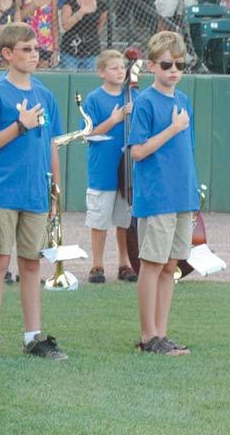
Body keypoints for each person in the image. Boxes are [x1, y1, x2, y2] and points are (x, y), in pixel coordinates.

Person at [0, 21, 67, 362]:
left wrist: (55, 185)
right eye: (26, 49)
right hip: (3, 192)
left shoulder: (45, 94)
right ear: (7, 54)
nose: (34, 55)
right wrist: (18, 126)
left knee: (32, 263)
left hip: (37, 192)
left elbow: (51, 144)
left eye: (36, 49)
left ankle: (33, 336)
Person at [128, 30, 198, 355]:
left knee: (172, 266)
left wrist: (192, 196)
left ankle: (162, 334)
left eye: (179, 64)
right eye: (167, 64)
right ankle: (147, 336)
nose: (174, 70)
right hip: (157, 197)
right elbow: (138, 152)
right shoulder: (145, 102)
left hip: (182, 195)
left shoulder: (183, 101)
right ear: (152, 65)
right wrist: (172, 128)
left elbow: (187, 152)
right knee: (152, 265)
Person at [83, 50, 137, 285]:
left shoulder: (134, 96)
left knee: (124, 220)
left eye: (122, 67)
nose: (119, 71)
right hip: (102, 170)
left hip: (128, 169)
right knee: (99, 220)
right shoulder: (94, 99)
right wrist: (113, 120)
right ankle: (97, 264)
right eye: (114, 67)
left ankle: (125, 263)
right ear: (101, 72)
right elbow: (87, 133)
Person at [60, 0, 106, 69]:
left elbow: (99, 28)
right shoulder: (69, 3)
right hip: (70, 51)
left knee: (89, 81)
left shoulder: (101, 5)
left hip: (92, 51)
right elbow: (66, 26)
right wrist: (80, 12)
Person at [21, 0, 61, 68]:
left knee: (42, 74)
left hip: (45, 41)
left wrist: (56, 48)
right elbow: (19, 17)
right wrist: (34, 4)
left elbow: (54, 21)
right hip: (26, 39)